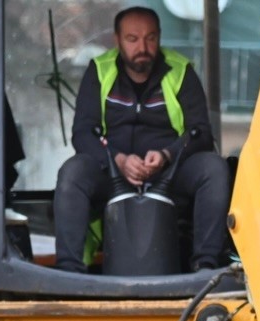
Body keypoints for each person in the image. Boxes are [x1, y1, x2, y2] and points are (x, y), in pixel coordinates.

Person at [53, 6, 230, 273]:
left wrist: (167, 155)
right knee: (72, 172)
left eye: (150, 38)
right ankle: (69, 272)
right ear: (117, 41)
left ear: (159, 38)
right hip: (112, 172)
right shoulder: (99, 71)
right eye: (132, 39)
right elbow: (82, 133)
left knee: (215, 168)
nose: (142, 47)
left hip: (170, 173)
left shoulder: (181, 71)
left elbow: (202, 134)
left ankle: (205, 267)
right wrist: (119, 160)